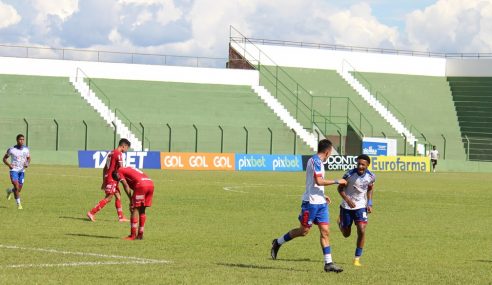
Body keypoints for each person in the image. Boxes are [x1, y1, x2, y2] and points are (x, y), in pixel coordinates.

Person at [271, 139, 347, 273]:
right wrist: (337, 181)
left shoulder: (320, 162)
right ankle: (278, 242)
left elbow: (314, 183)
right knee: (304, 231)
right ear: (328, 151)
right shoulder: (315, 161)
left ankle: (328, 263)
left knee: (325, 231)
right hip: (310, 203)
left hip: (321, 203)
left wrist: (322, 196)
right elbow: (318, 181)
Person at [337, 154, 375, 267]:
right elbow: (339, 188)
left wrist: (369, 202)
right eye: (358, 163)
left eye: (363, 164)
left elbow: (370, 188)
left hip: (360, 206)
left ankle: (357, 259)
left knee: (362, 230)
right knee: (346, 234)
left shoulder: (371, 176)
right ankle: (340, 223)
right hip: (347, 206)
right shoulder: (349, 174)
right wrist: (347, 199)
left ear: (368, 165)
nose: (360, 166)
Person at [87, 138, 131, 222]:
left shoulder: (111, 153)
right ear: (123, 146)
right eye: (127, 148)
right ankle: (91, 213)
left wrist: (104, 181)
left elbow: (104, 168)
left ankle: (121, 217)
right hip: (112, 179)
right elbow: (121, 168)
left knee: (118, 196)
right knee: (109, 198)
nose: (126, 150)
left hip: (109, 177)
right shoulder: (118, 154)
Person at [113, 166, 154, 240]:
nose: (118, 181)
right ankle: (140, 235)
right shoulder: (129, 168)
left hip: (141, 185)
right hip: (150, 184)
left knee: (135, 209)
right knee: (142, 210)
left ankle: (133, 235)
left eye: (117, 180)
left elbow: (125, 185)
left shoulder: (118, 171)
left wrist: (131, 199)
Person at [3, 134, 31, 210]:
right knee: (16, 186)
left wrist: (27, 163)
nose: (21, 141)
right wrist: (9, 165)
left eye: (23, 139)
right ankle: (19, 204)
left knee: (18, 189)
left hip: (22, 171)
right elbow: (4, 159)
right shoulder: (11, 149)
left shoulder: (26, 149)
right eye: (20, 139)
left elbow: (28, 158)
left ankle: (9, 191)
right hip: (14, 170)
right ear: (17, 140)